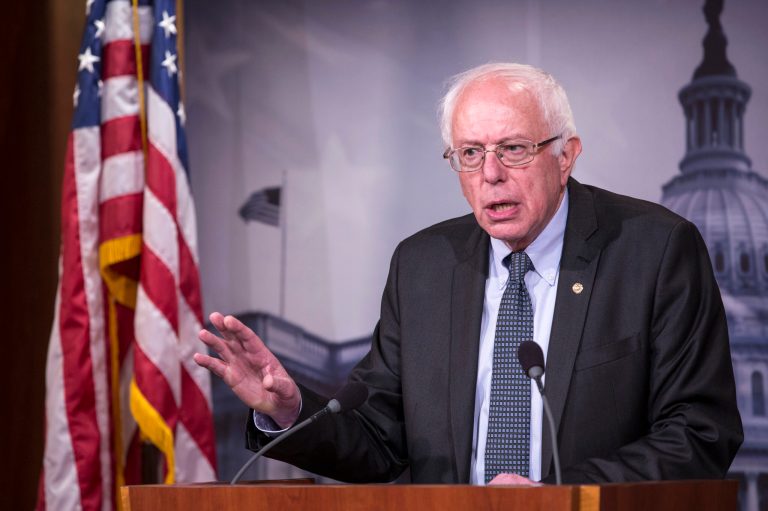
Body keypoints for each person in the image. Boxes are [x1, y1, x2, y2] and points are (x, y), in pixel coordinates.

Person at [194, 62, 743, 484]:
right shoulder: (423, 266)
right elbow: (378, 435)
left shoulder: (655, 250)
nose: (491, 174)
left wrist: (558, 496)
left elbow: (700, 433)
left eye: (513, 149)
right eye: (470, 154)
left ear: (566, 156)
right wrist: (291, 410)